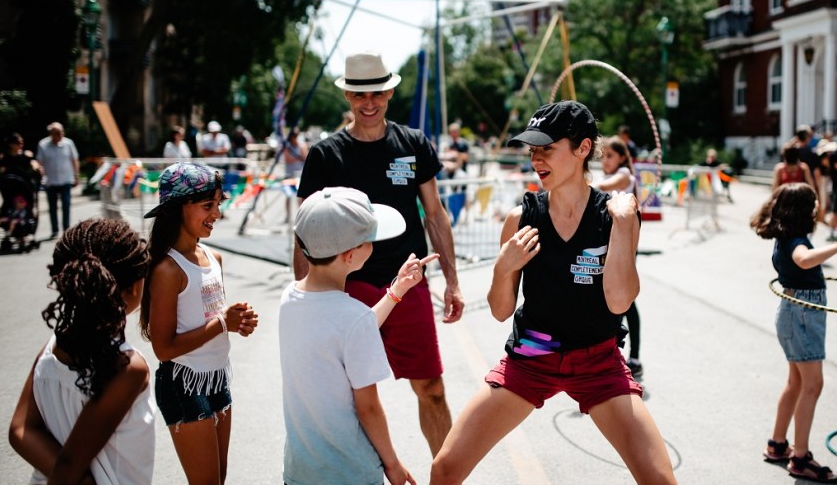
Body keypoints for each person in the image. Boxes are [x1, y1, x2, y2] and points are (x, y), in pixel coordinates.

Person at [430, 101, 677, 485]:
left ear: (582, 149)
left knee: (660, 480)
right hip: (531, 358)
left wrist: (625, 227)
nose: (536, 159)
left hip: (598, 362)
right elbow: (500, 311)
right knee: (444, 469)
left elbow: (619, 301)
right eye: (532, 150)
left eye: (547, 148)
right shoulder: (520, 217)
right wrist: (503, 266)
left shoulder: (613, 215)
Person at [294, 50, 463, 457]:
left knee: (432, 390)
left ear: (389, 91)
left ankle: (446, 477)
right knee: (349, 400)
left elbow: (436, 217)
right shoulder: (325, 154)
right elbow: (303, 230)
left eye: (376, 93)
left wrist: (453, 282)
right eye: (358, 95)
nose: (368, 103)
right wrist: (301, 296)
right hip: (346, 289)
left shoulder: (413, 143)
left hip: (406, 283)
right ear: (348, 97)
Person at [282, 187, 438, 485]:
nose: (374, 245)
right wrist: (392, 464)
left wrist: (397, 290)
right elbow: (368, 408)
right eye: (369, 240)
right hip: (351, 471)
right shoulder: (352, 317)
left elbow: (353, 326)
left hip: (300, 469)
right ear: (351, 254)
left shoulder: (290, 297)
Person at [139, 162, 259, 484]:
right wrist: (223, 323)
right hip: (182, 383)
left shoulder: (213, 258)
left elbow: (213, 318)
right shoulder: (167, 269)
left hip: (217, 377)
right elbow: (163, 348)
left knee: (218, 480)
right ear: (177, 207)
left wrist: (238, 321)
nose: (217, 214)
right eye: (208, 205)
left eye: (218, 204)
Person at [9, 218, 154, 484]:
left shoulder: (53, 346)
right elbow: (69, 466)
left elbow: (20, 429)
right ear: (135, 287)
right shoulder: (127, 367)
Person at [750, 183, 837, 483]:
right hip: (802, 314)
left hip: (794, 312)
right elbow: (804, 259)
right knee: (812, 385)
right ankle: (800, 458)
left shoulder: (784, 235)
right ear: (803, 209)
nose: (817, 207)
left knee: (796, 383)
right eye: (814, 203)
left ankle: (778, 444)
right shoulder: (796, 241)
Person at [592, 135, 643, 380]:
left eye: (610, 155)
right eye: (603, 157)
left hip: (624, 245)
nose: (605, 161)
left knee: (625, 302)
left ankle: (633, 356)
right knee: (610, 298)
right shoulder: (608, 177)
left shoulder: (624, 175)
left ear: (622, 157)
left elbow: (600, 187)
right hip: (608, 243)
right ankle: (612, 351)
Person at [35, 122, 79, 238]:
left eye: (61, 133)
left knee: (66, 204)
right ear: (51, 134)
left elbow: (74, 160)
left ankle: (66, 228)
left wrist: (76, 175)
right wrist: (40, 173)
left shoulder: (68, 143)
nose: (60, 135)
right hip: (51, 181)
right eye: (57, 134)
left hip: (66, 180)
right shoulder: (43, 145)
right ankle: (54, 229)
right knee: (52, 206)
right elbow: (39, 162)